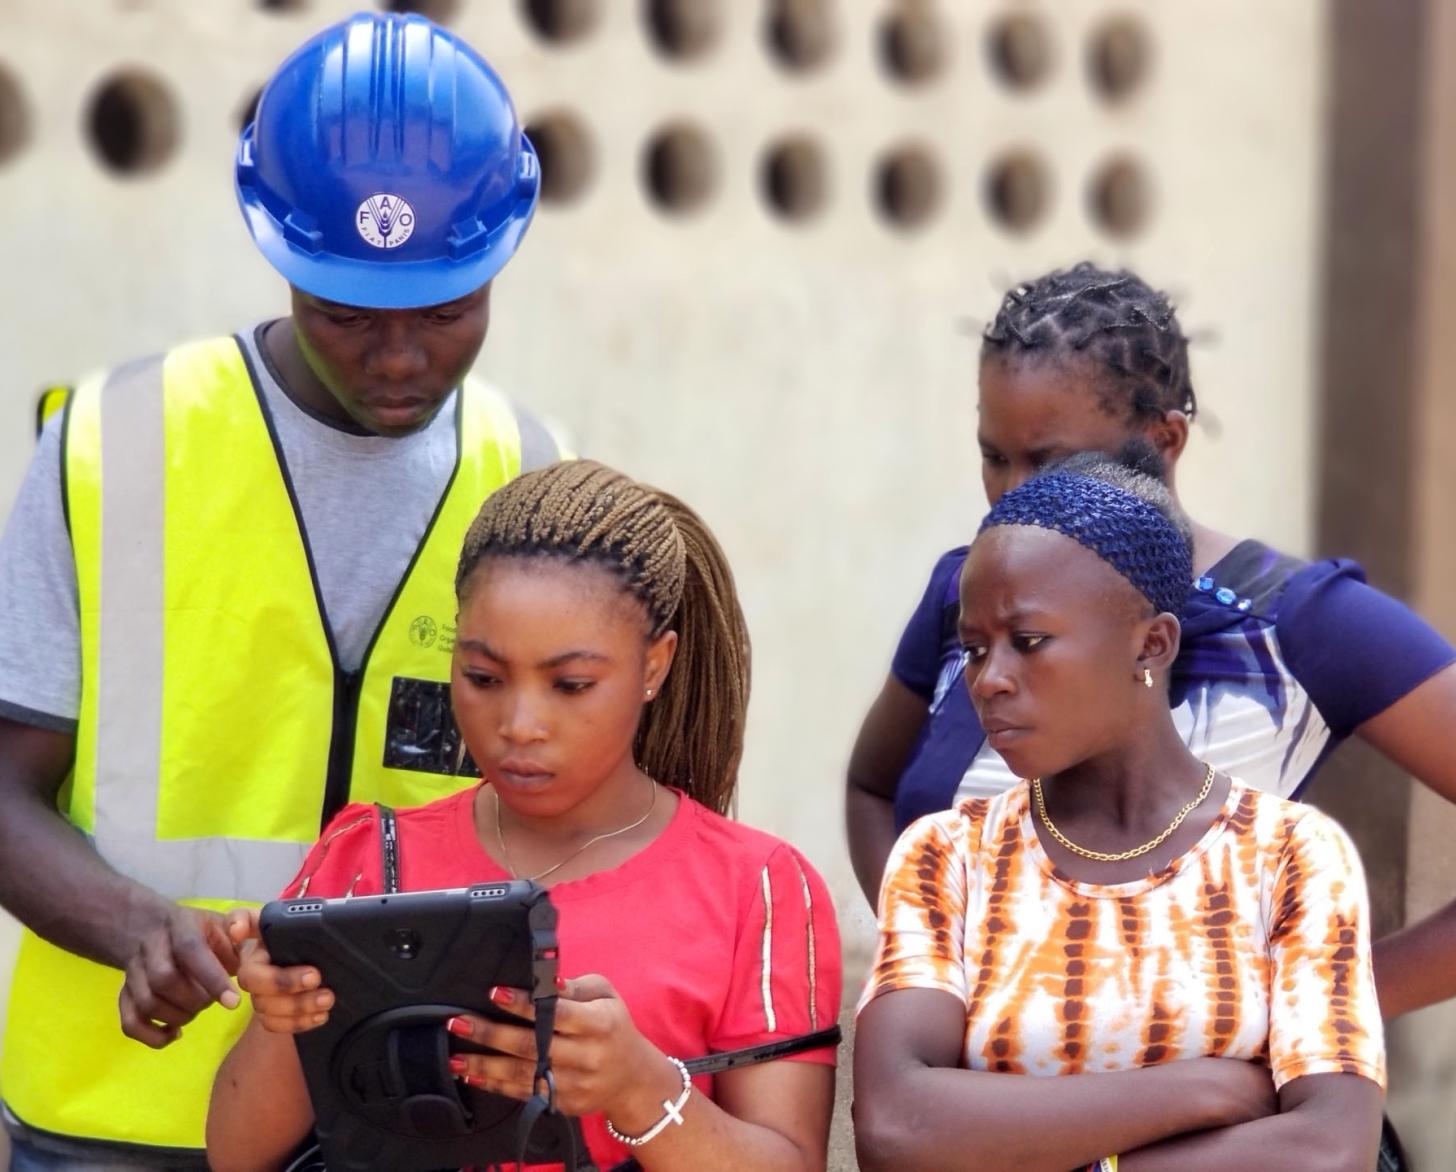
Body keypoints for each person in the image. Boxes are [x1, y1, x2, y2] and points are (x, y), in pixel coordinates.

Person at [0, 12, 567, 1167]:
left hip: (412, 1114)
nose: (398, 357)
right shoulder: (111, 442)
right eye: (349, 313)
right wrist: (138, 928)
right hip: (124, 1119)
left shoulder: (534, 475)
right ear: (279, 253)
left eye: (446, 311)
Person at [845, 262, 1456, 1019]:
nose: (1012, 492)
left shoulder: (1294, 624)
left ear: (1164, 441)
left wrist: (1310, 1005)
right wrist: (930, 957)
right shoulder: (968, 597)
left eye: (1049, 459)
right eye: (993, 456)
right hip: (980, 1112)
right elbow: (872, 788)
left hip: (1203, 1125)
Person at [206, 460, 842, 1172]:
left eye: (571, 684)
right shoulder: (367, 859)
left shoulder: (756, 887)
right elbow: (236, 1154)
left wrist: (640, 1087)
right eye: (482, 678)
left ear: (655, 665)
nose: (519, 723)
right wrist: (282, 1022)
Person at [854, 455, 1386, 1171]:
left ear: (1151, 644)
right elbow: (895, 1128)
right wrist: (1207, 1089)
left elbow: (1327, 1150)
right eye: (975, 649)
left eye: (1028, 641)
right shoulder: (949, 857)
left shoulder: (1289, 854)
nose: (990, 680)